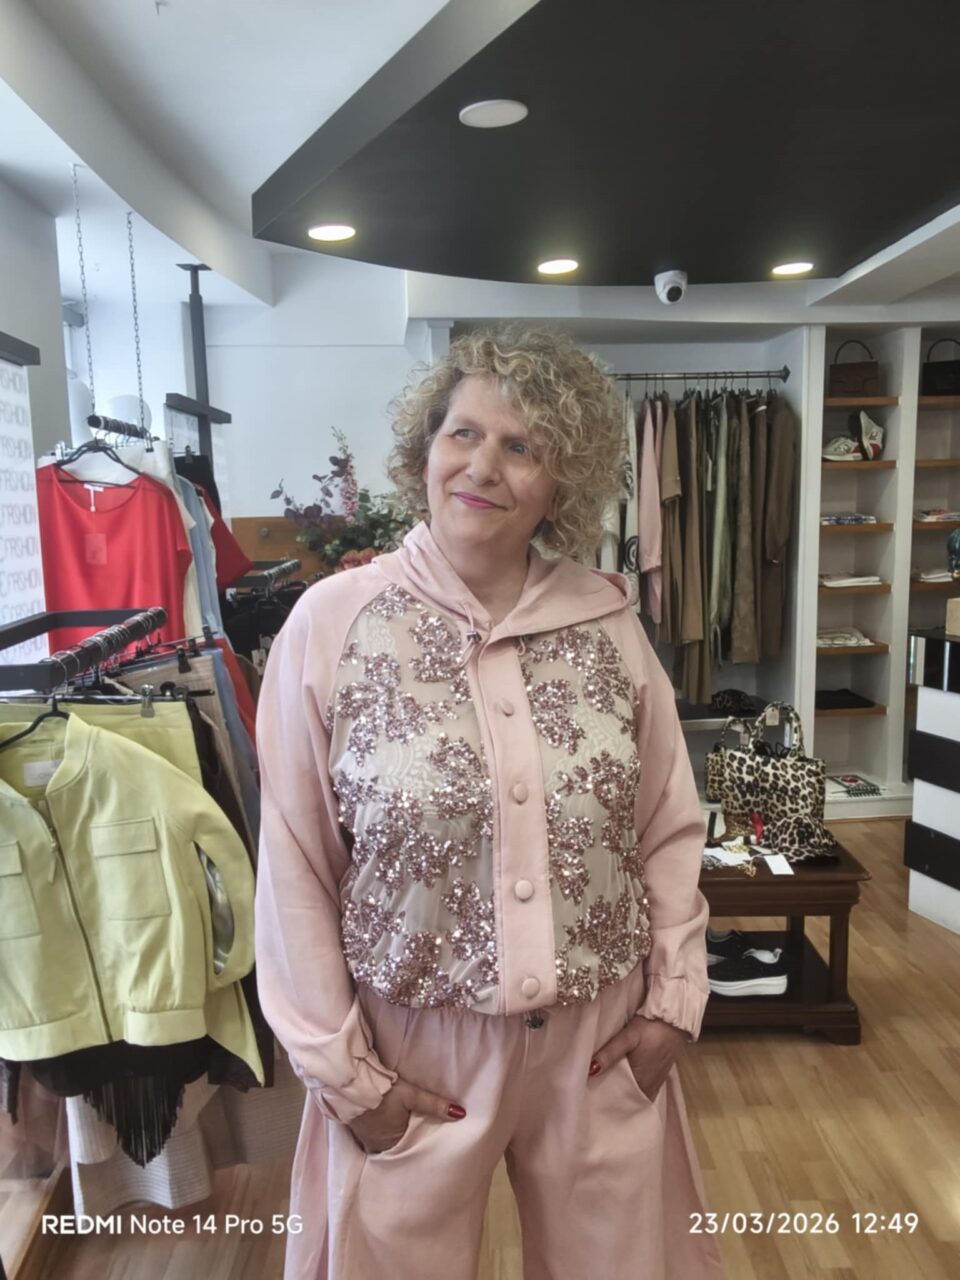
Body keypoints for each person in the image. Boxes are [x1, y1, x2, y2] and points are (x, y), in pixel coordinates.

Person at [255, 326, 723, 1279]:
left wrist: (674, 1003)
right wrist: (345, 1075)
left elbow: (668, 823)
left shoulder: (610, 623)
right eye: (462, 433)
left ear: (560, 484)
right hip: (408, 1046)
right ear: (425, 449)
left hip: (599, 1040)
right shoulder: (334, 625)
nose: (482, 466)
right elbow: (296, 862)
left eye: (522, 447)